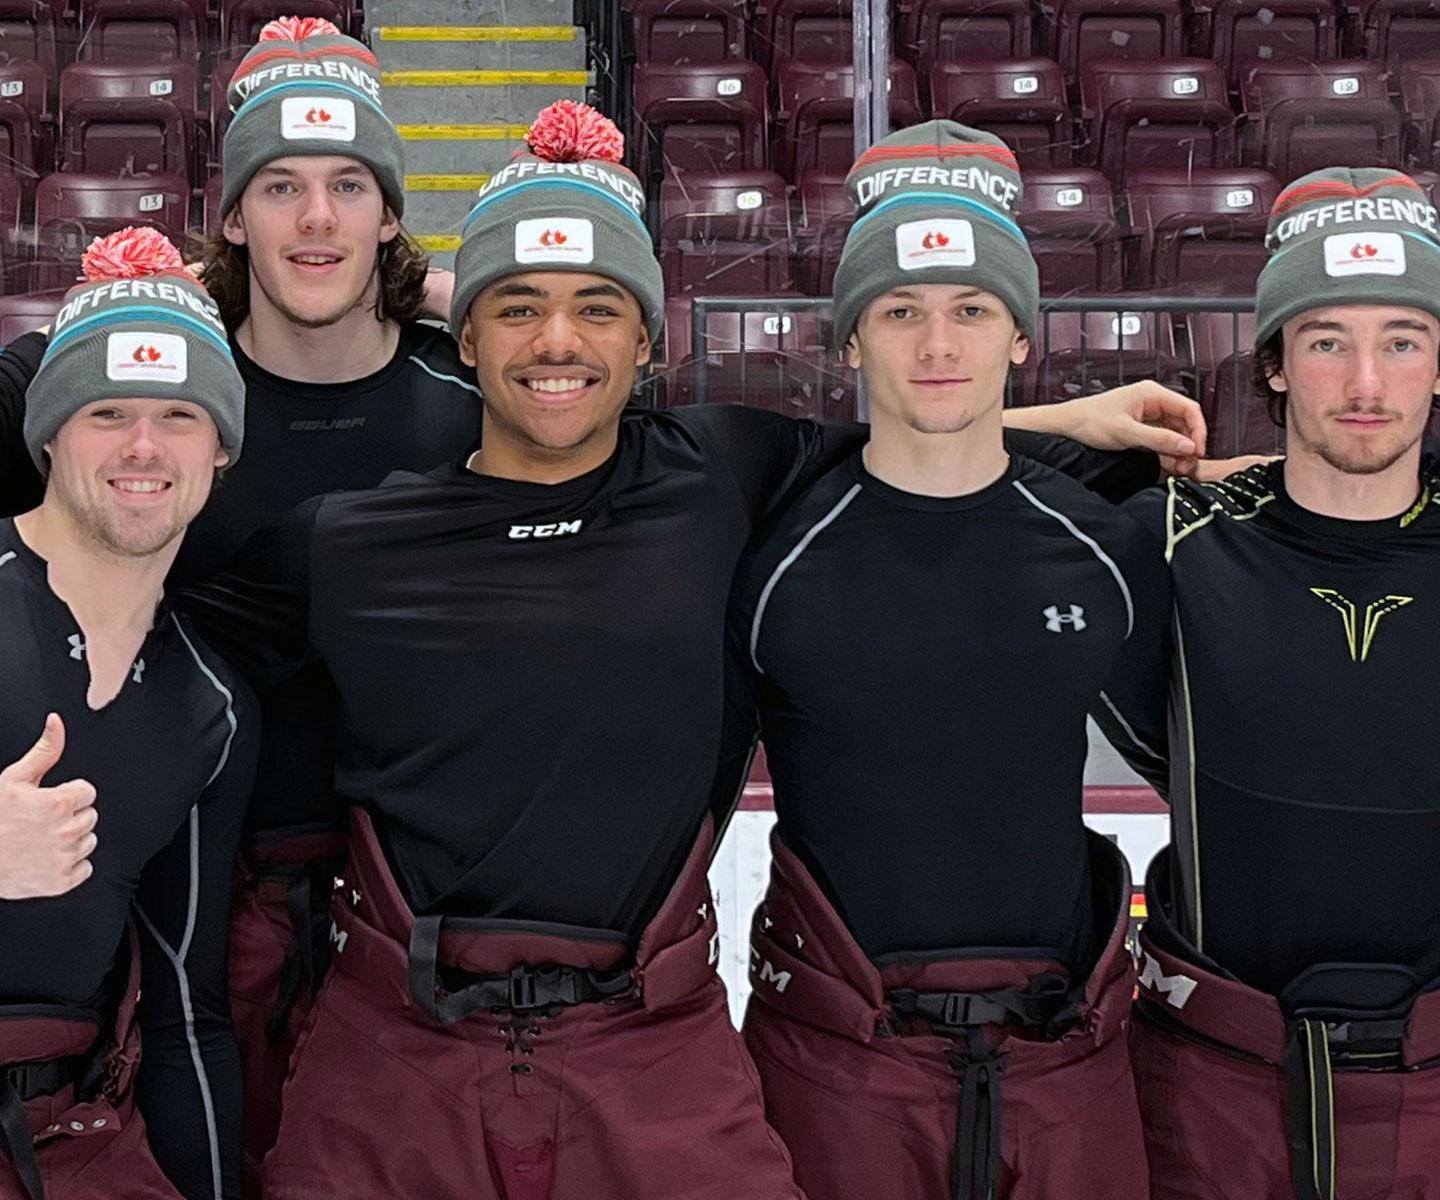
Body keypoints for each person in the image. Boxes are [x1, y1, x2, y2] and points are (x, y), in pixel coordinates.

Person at [171, 101, 1201, 1200]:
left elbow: (915, 436)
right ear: (463, 337)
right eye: (516, 307)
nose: (557, 342)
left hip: (650, 1048)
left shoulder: (719, 475)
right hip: (398, 1047)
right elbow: (138, 622)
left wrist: (1084, 423)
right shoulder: (349, 542)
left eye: (597, 308)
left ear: (649, 340)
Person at [0, 17, 483, 1188]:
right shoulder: (137, 393)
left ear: (387, 211)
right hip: (164, 905)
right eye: (280, 185)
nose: (316, 220)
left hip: (414, 927)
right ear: (230, 213)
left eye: (347, 185)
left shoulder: (479, 402)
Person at [723, 121, 1165, 1200]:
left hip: (1060, 1058)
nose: (936, 345)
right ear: (850, 339)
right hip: (837, 1061)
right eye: (900, 312)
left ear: (1021, 339)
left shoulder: (1099, 547)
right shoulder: (771, 547)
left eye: (972, 311)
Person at [1107, 168, 1440, 1200]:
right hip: (1214, 1088)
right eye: (1328, 340)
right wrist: (1087, 423)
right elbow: (938, 471)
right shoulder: (1167, 537)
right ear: (1277, 365)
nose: (1367, 384)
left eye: (1402, 340)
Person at [0, 229, 257, 1200]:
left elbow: (189, 1017)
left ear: (221, 450)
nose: (143, 447)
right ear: (50, 434)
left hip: (73, 1140)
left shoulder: (213, 707)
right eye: (106, 411)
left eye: (179, 415)